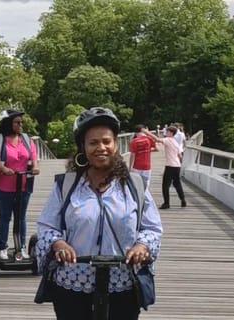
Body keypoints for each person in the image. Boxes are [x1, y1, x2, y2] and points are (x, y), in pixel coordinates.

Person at [36, 107, 163, 319]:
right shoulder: (66, 185)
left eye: (106, 141)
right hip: (73, 281)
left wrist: (142, 245)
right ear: (83, 147)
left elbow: (152, 227)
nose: (101, 148)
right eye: (93, 143)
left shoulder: (134, 185)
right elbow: (47, 226)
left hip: (122, 282)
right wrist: (59, 244)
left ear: (115, 145)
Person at [0, 109, 40, 261]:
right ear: (9, 123)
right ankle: (3, 247)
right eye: (17, 122)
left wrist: (34, 167)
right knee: (5, 216)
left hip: (23, 183)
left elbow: (33, 155)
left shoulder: (27, 139)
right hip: (4, 185)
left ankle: (20, 247)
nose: (21, 124)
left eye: (21, 122)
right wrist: (3, 169)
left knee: (21, 217)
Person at [145, 126, 185, 209]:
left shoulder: (168, 140)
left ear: (171, 133)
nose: (165, 133)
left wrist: (146, 132)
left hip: (170, 165)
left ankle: (166, 203)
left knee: (165, 185)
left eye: (167, 132)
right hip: (177, 165)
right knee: (177, 183)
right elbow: (180, 156)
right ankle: (183, 200)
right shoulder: (175, 142)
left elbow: (157, 139)